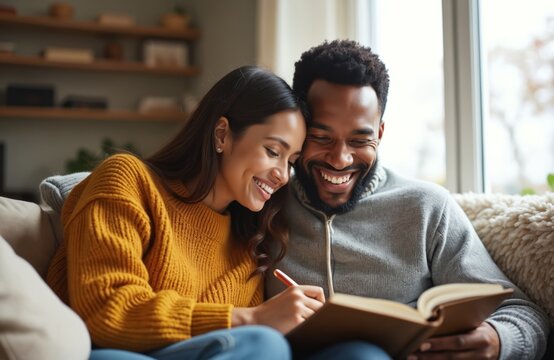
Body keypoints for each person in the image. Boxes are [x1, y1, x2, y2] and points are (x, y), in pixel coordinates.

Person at [265, 40, 550, 360]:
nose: (340, 159)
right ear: (299, 128)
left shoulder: (426, 207)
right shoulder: (265, 203)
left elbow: (523, 313)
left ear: (380, 133)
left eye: (360, 140)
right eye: (321, 137)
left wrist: (499, 339)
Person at [46, 65, 327, 360]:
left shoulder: (248, 247)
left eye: (291, 161)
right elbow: (108, 310)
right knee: (263, 343)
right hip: (110, 353)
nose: (282, 175)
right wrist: (253, 318)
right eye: (272, 151)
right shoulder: (128, 180)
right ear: (222, 135)